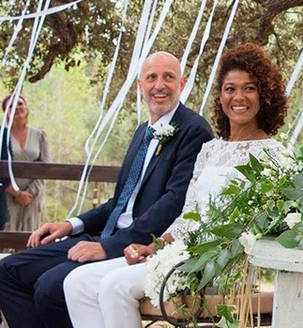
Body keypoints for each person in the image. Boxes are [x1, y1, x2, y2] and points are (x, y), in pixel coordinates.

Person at [63, 43, 288, 328]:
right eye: (230, 88)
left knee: (114, 286)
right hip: (178, 252)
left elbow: (263, 228)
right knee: (77, 283)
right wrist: (154, 246)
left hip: (221, 264)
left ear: (264, 95)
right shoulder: (210, 150)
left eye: (250, 88)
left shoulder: (274, 155)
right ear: (220, 96)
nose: (238, 97)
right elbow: (188, 215)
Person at [0, 51, 212, 328]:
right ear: (140, 86)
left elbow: (174, 203)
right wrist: (70, 224)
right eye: (151, 77)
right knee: (7, 271)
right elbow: (119, 202)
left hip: (139, 247)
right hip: (102, 235)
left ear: (182, 84)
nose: (159, 85)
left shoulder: (193, 130)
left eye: (168, 77)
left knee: (50, 286)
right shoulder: (142, 132)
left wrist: (106, 247)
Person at [1, 94, 51, 232]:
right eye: (11, 106)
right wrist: (16, 193)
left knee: (29, 238)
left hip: (32, 196)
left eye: (20, 103)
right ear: (5, 111)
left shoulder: (39, 135)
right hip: (6, 194)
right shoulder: (1, 136)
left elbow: (46, 167)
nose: (16, 107)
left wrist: (30, 193)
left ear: (26, 108)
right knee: (6, 234)